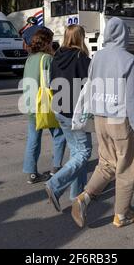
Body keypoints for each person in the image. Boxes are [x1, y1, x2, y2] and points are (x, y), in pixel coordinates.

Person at [71, 17, 134, 228]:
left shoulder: (98, 57)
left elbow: (91, 86)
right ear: (124, 34)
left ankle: (84, 197)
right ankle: (122, 214)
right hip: (119, 119)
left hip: (100, 119)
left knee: (106, 163)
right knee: (125, 167)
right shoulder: (128, 59)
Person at [44, 25, 92, 212]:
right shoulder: (81, 58)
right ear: (81, 37)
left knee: (75, 151)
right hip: (75, 113)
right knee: (84, 152)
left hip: (60, 109)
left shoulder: (57, 56)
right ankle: (54, 185)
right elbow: (91, 83)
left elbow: (51, 82)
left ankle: (77, 193)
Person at [21, 27, 67, 184]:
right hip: (45, 104)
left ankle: (31, 173)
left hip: (30, 104)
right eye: (51, 41)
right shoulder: (46, 59)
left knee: (33, 138)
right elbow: (50, 83)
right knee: (59, 134)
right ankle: (56, 168)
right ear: (46, 43)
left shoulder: (29, 58)